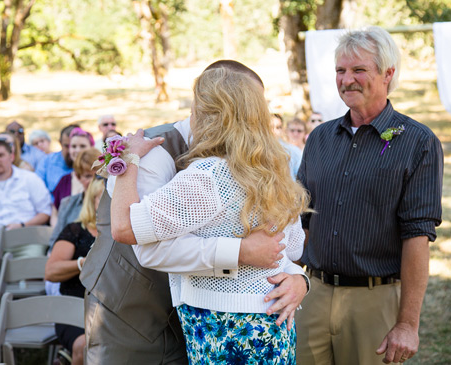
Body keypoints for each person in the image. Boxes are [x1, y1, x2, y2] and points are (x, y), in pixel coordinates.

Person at [80, 59, 294, 364]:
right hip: (131, 308)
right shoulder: (156, 152)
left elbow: (288, 242)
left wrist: (298, 278)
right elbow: (136, 240)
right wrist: (241, 252)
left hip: (214, 321)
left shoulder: (235, 167)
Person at [295, 27, 443, 365]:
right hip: (312, 295)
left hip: (374, 301)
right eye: (340, 71)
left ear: (388, 74)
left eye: (358, 70)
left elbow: (417, 237)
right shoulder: (319, 139)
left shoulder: (418, 143)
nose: (347, 80)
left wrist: (407, 324)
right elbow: (302, 221)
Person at [44, 178, 104, 365]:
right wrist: (82, 263)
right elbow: (51, 272)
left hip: (111, 311)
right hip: (73, 309)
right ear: (91, 201)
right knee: (85, 347)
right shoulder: (76, 230)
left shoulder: (123, 234)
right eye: (102, 199)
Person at [0, 140, 49, 232]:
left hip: (27, 237)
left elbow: (45, 213)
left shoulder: (30, 179)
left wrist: (23, 225)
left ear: (11, 157)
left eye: (0, 155)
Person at [50, 128, 98, 212]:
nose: (77, 150)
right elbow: (55, 212)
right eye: (73, 146)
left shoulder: (99, 176)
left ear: (92, 147)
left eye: (82, 146)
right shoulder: (64, 181)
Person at [34, 125, 79, 192]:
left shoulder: (92, 164)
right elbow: (37, 189)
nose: (71, 150)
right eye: (67, 146)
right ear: (60, 143)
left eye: (75, 146)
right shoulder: (47, 162)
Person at [271, 113, 303, 178]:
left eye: (278, 127)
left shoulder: (293, 151)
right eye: (271, 127)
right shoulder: (257, 151)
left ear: (282, 129)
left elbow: (301, 176)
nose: (274, 131)